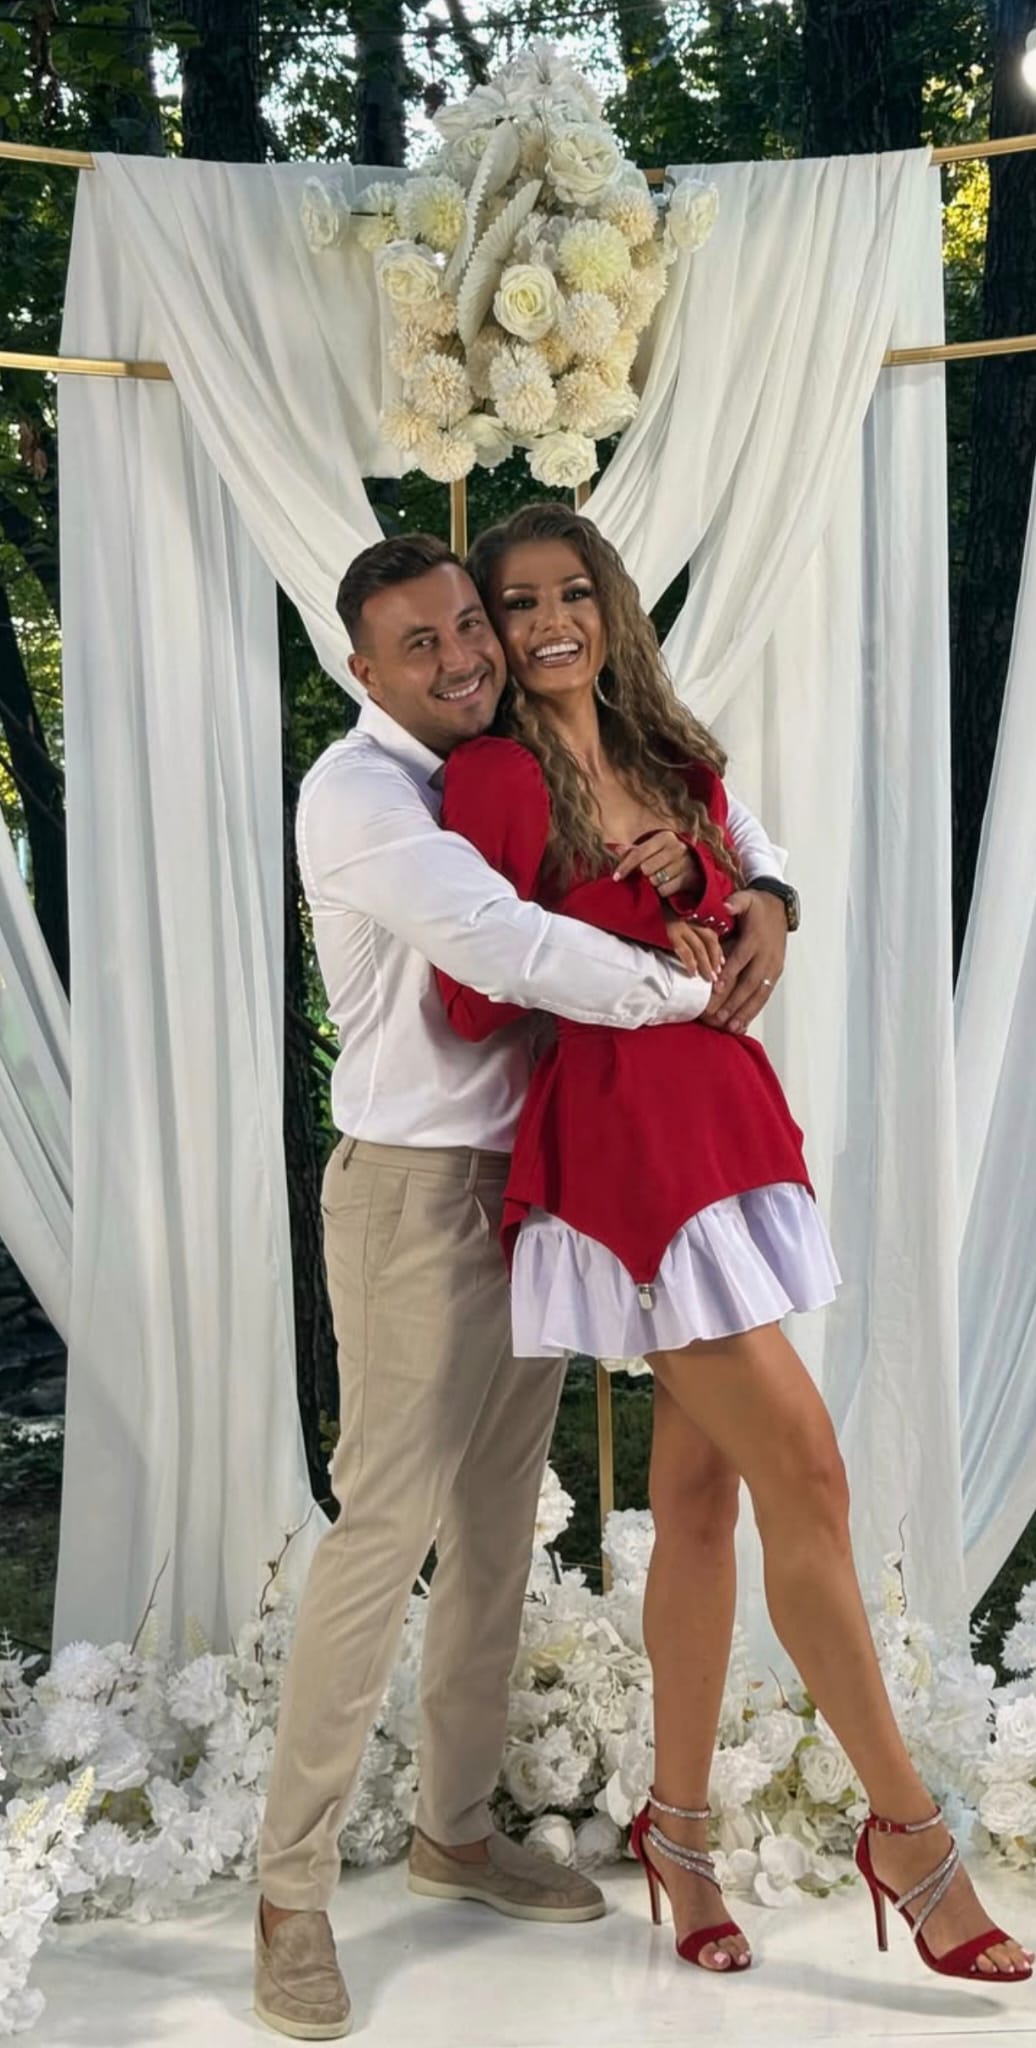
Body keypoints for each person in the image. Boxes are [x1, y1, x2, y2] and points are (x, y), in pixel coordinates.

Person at [433, 500, 1033, 1987]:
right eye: (519, 603)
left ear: (610, 605)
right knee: (809, 1474)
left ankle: (680, 1833)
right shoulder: (494, 777)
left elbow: (754, 898)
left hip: (731, 1130)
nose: (550, 622)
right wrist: (621, 917)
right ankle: (910, 1837)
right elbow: (472, 993)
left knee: (701, 1500)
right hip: (627, 1156)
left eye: (573, 592)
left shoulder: (677, 758)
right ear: (493, 631)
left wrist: (739, 895)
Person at [253, 531, 789, 2042]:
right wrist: (690, 991)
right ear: (362, 670)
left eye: (465, 627)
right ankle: (288, 1897)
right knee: (385, 1529)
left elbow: (717, 806)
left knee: (499, 1526)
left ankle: (454, 1834)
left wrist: (765, 895)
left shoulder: (528, 759)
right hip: (416, 1192)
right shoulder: (360, 793)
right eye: (419, 643)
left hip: (539, 1182)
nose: (461, 656)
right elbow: (501, 948)